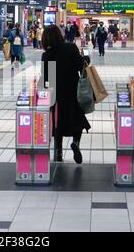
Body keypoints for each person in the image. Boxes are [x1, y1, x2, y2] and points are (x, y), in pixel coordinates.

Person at [40, 25, 91, 163]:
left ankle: (58, 153)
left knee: (58, 124)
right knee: (77, 119)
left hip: (56, 95)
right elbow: (82, 66)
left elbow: (47, 80)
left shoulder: (46, 55)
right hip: (73, 92)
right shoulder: (70, 48)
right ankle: (76, 142)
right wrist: (86, 57)